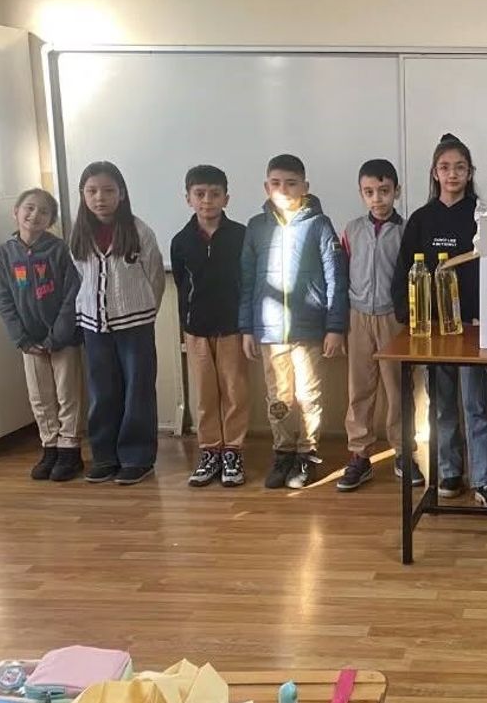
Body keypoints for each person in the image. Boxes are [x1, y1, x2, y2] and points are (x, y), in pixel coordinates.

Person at [393, 134, 487, 507]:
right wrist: (409, 318)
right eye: (444, 167)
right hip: (434, 329)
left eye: (459, 167)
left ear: (470, 173)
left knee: (477, 405)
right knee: (441, 406)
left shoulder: (484, 216)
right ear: (434, 173)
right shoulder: (421, 220)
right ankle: (449, 471)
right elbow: (403, 271)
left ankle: (484, 480)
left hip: (474, 327)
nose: (452, 174)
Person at [239, 154, 348, 490]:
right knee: (279, 396)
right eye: (276, 183)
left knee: (309, 395)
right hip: (270, 331)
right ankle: (283, 452)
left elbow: (336, 279)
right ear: (266, 187)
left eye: (291, 183)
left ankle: (306, 454)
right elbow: (247, 281)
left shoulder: (320, 225)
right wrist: (247, 328)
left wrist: (335, 327)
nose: (283, 189)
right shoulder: (257, 227)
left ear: (305, 186)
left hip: (309, 328)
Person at [69, 161, 165, 485]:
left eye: (108, 190)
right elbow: (82, 275)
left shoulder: (140, 232)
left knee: (138, 390)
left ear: (121, 194)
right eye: (92, 191)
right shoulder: (79, 234)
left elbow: (155, 277)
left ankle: (137, 458)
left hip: (135, 324)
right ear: (83, 195)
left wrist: (142, 311)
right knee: (102, 392)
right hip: (94, 326)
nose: (100, 198)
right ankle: (105, 456)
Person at [0, 188, 84, 482]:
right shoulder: (4, 254)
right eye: (29, 208)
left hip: (63, 339)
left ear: (51, 220)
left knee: (67, 393)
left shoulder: (59, 250)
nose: (35, 215)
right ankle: (50, 445)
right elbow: (4, 299)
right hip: (30, 342)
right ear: (16, 212)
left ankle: (70, 448)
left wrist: (58, 335)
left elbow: (71, 295)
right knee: (40, 396)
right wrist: (21, 338)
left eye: (44, 212)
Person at [335, 159, 415, 491]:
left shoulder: (406, 231)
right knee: (360, 389)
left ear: (397, 191)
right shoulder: (352, 230)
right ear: (361, 194)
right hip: (358, 318)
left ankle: (403, 452)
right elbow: (341, 274)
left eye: (384, 191)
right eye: (369, 192)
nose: (377, 199)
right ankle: (360, 454)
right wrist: (339, 322)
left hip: (392, 318)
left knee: (398, 389)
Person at [171, 165, 249, 488]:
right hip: (197, 329)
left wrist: (247, 324)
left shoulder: (240, 235)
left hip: (232, 328)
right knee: (204, 394)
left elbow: (246, 281)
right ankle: (210, 451)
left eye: (215, 194)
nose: (207, 200)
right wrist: (186, 326)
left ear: (226, 198)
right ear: (188, 198)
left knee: (234, 392)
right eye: (200, 194)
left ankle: (233, 451)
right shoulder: (181, 241)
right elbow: (181, 286)